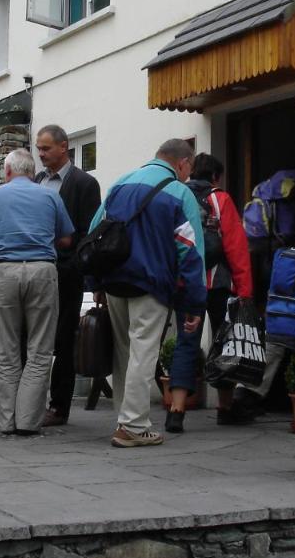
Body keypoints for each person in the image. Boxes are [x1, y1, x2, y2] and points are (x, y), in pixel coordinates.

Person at [88, 139, 206, 447]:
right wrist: (194, 303)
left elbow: (94, 232)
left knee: (123, 351)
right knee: (144, 351)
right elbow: (191, 253)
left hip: (114, 281)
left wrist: (97, 283)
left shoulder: (121, 183)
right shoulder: (181, 193)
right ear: (183, 163)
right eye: (189, 170)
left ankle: (124, 418)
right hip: (151, 283)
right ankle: (134, 426)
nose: (188, 176)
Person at [0, 148, 74, 434]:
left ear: (7, 172)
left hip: (6, 270)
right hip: (43, 270)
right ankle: (28, 422)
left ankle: (6, 420)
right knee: (40, 349)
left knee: (7, 349)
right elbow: (66, 238)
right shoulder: (51, 196)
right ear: (32, 172)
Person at [164, 153, 254, 433]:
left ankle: (176, 410)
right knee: (224, 343)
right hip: (217, 284)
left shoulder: (176, 194)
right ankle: (224, 407)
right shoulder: (221, 200)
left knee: (186, 341)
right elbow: (236, 249)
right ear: (216, 176)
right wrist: (245, 291)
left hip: (184, 284)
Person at [34, 125, 102, 427]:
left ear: (64, 147)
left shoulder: (84, 183)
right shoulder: (37, 181)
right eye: (38, 148)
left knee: (62, 341)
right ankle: (28, 403)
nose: (41, 153)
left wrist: (69, 249)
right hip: (36, 269)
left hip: (65, 272)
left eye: (46, 148)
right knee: (32, 338)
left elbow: (90, 232)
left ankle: (59, 407)